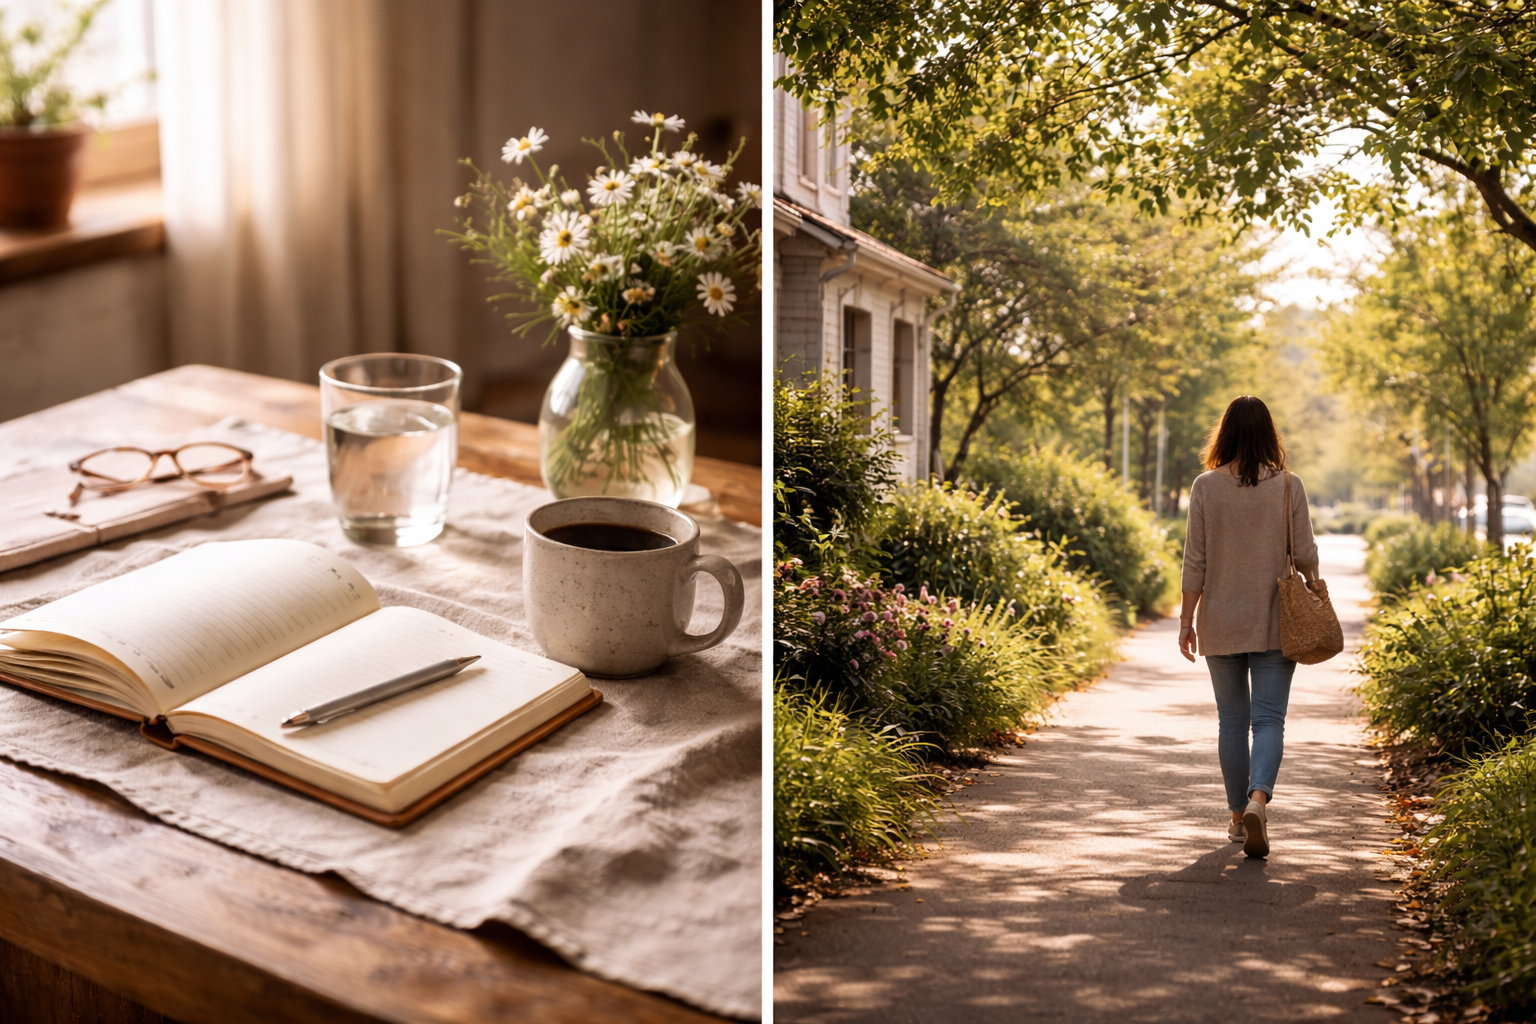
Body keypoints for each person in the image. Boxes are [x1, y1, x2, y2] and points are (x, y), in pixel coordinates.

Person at [1177, 395, 1318, 859]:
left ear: (1226, 433)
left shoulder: (1205, 487)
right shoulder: (1288, 486)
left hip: (1219, 619)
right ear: (1269, 434)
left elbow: (1194, 561)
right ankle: (1260, 799)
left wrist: (1185, 620)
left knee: (1232, 722)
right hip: (1277, 620)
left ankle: (1238, 817)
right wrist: (1317, 589)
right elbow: (1305, 554)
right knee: (1270, 720)